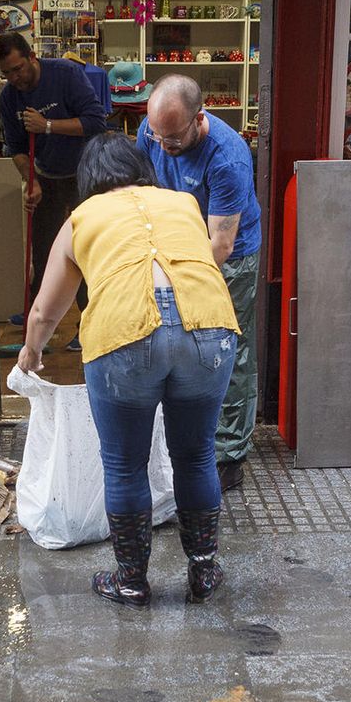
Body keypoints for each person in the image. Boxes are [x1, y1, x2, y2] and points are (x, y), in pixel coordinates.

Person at [17, 134, 240, 608]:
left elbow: (43, 313)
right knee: (197, 454)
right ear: (142, 168)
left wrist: (32, 353)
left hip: (124, 336)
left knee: (124, 465)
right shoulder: (182, 203)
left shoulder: (82, 218)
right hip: (211, 329)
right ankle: (203, 571)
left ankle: (132, 581)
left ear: (90, 180)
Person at [136, 74, 261, 493]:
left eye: (172, 139)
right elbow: (138, 192)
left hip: (228, 258)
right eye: (157, 136)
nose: (163, 146)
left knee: (227, 349)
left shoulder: (228, 159)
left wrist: (171, 276)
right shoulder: (153, 131)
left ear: (199, 120)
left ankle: (229, 456)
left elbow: (220, 246)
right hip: (171, 249)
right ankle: (176, 447)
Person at [0, 31, 109, 341]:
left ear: (32, 57)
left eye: (18, 69)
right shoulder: (9, 98)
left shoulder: (66, 74)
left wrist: (46, 126)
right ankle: (38, 330)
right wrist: (29, 179)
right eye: (6, 73)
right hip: (46, 178)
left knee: (87, 252)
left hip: (84, 176)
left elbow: (96, 122)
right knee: (43, 255)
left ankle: (89, 328)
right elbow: (15, 148)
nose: (14, 77)